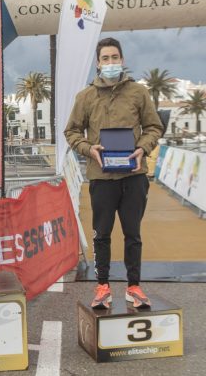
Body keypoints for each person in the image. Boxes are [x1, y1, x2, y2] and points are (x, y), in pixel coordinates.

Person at [64, 37, 164, 309]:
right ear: (98, 63)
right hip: (101, 177)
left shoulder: (138, 92)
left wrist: (143, 147)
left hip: (134, 176)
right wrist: (88, 149)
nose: (110, 63)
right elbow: (71, 131)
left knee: (133, 234)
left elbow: (154, 127)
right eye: (105, 58)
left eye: (115, 57)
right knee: (101, 235)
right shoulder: (85, 96)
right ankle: (102, 287)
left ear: (122, 60)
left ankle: (134, 287)